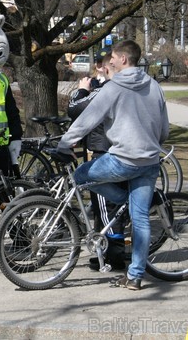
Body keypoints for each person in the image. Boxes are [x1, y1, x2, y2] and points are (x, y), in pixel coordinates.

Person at [58, 40, 169, 291]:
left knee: (80, 175)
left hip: (122, 158)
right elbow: (164, 129)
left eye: (114, 58)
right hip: (150, 161)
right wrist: (152, 145)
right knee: (140, 220)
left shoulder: (114, 87)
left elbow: (87, 120)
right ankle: (135, 276)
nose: (110, 62)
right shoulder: (154, 86)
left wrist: (65, 145)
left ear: (124, 60)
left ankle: (120, 199)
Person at [67, 47, 125, 271]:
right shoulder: (111, 87)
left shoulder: (106, 89)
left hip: (105, 151)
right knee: (108, 207)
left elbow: (75, 109)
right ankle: (107, 250)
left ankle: (114, 255)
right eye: (100, 63)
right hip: (108, 149)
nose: (102, 68)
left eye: (106, 63)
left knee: (107, 206)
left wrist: (81, 90)